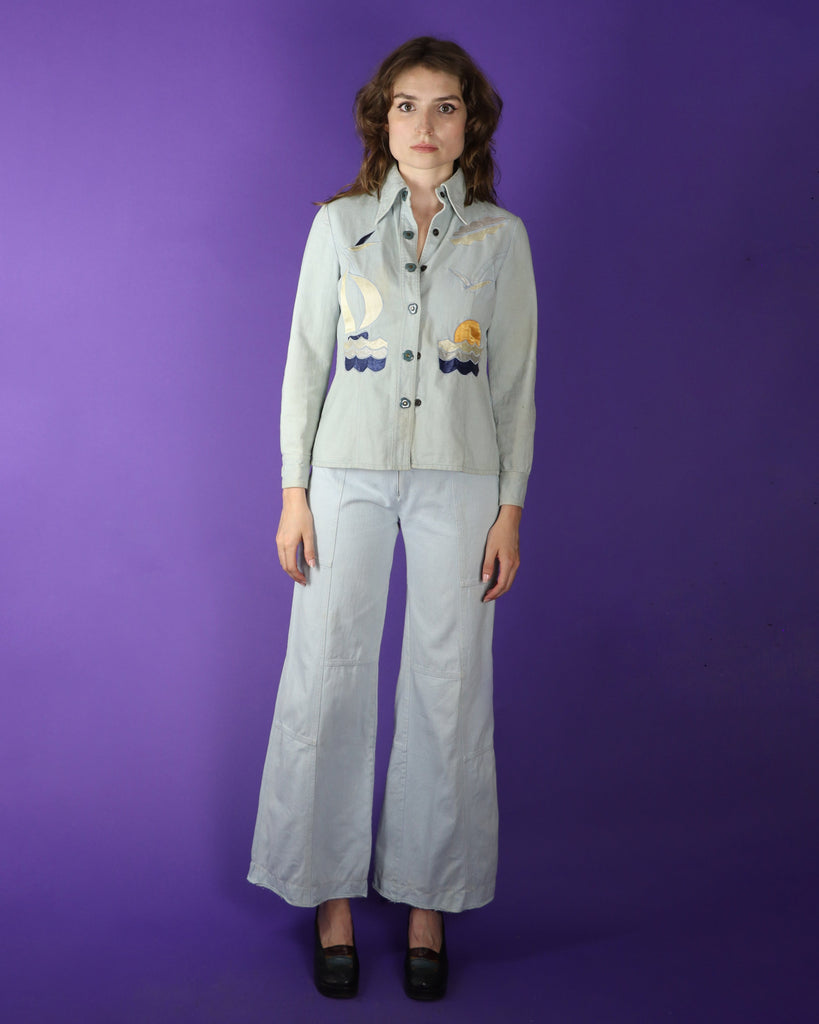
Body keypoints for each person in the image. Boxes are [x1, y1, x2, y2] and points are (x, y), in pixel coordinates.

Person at [248, 36, 537, 1001]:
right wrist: (293, 491)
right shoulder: (337, 227)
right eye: (406, 105)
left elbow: (514, 385)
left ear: (470, 123)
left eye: (444, 106)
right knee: (326, 671)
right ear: (382, 119)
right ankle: (326, 895)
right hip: (346, 476)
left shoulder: (499, 238)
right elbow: (304, 362)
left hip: (461, 480)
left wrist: (509, 507)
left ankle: (427, 900)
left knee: (448, 688)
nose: (424, 124)